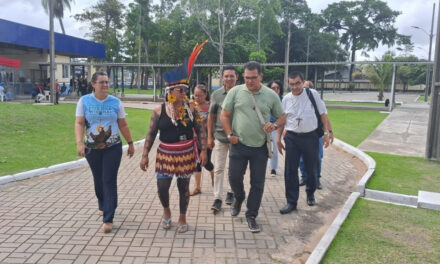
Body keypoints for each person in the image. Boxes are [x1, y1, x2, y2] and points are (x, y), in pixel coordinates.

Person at [139, 41, 208, 233]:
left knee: (183, 187)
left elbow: (201, 131)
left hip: (186, 153)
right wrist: (144, 155)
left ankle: (183, 216)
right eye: (181, 90)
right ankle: (167, 211)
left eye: (185, 90)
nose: (184, 93)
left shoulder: (191, 109)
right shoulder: (159, 111)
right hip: (165, 154)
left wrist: (203, 151)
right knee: (162, 186)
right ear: (170, 92)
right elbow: (151, 133)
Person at [221, 61, 285, 233]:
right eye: (247, 78)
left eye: (253, 78)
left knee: (257, 183)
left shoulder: (271, 95)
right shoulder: (235, 91)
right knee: (234, 177)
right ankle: (239, 197)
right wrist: (229, 135)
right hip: (238, 144)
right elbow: (225, 115)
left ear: (261, 76)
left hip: (260, 147)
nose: (249, 81)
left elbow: (282, 117)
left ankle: (251, 215)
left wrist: (275, 126)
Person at [75, 71, 135, 233]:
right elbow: (80, 123)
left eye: (107, 82)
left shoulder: (116, 102)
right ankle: (103, 203)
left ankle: (108, 217)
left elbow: (123, 124)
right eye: (102, 82)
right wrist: (80, 142)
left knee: (108, 179)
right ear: (93, 84)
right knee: (98, 179)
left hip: (113, 147)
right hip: (92, 148)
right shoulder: (84, 101)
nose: (106, 85)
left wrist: (130, 143)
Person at [277, 72, 330, 215]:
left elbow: (323, 114)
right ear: (288, 84)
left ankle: (310, 193)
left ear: (303, 82)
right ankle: (291, 202)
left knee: (311, 168)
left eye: (297, 83)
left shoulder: (312, 94)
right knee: (290, 170)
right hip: (292, 138)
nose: (295, 87)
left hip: (310, 137)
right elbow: (283, 118)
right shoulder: (286, 99)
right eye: (292, 84)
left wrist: (326, 133)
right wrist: (278, 138)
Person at [209, 66, 239, 213]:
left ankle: (232, 192)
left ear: (237, 77)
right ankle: (217, 198)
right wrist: (209, 136)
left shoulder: (242, 93)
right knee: (219, 168)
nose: (229, 79)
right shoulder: (217, 94)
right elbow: (211, 116)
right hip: (220, 136)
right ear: (222, 78)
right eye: (226, 76)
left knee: (234, 169)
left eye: (231, 76)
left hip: (237, 138)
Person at [299, 81, 334, 189]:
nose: (302, 90)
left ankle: (316, 179)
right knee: (301, 158)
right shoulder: (297, 100)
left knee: (317, 158)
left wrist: (329, 132)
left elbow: (325, 118)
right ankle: (304, 177)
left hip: (315, 134)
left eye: (305, 88)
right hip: (301, 134)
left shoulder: (317, 101)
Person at [190, 83, 214, 196]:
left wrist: (211, 138)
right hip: (194, 140)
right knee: (196, 163)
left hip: (207, 139)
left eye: (199, 95)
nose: (197, 98)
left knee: (206, 162)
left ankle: (214, 178)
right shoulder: (192, 106)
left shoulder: (211, 106)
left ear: (205, 95)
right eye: (195, 95)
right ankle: (197, 187)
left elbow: (213, 124)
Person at [267, 80, 284, 176]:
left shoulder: (283, 99)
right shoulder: (265, 98)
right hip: (265, 126)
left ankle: (273, 168)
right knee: (264, 148)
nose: (276, 90)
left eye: (278, 88)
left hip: (276, 126)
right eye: (273, 88)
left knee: (275, 149)